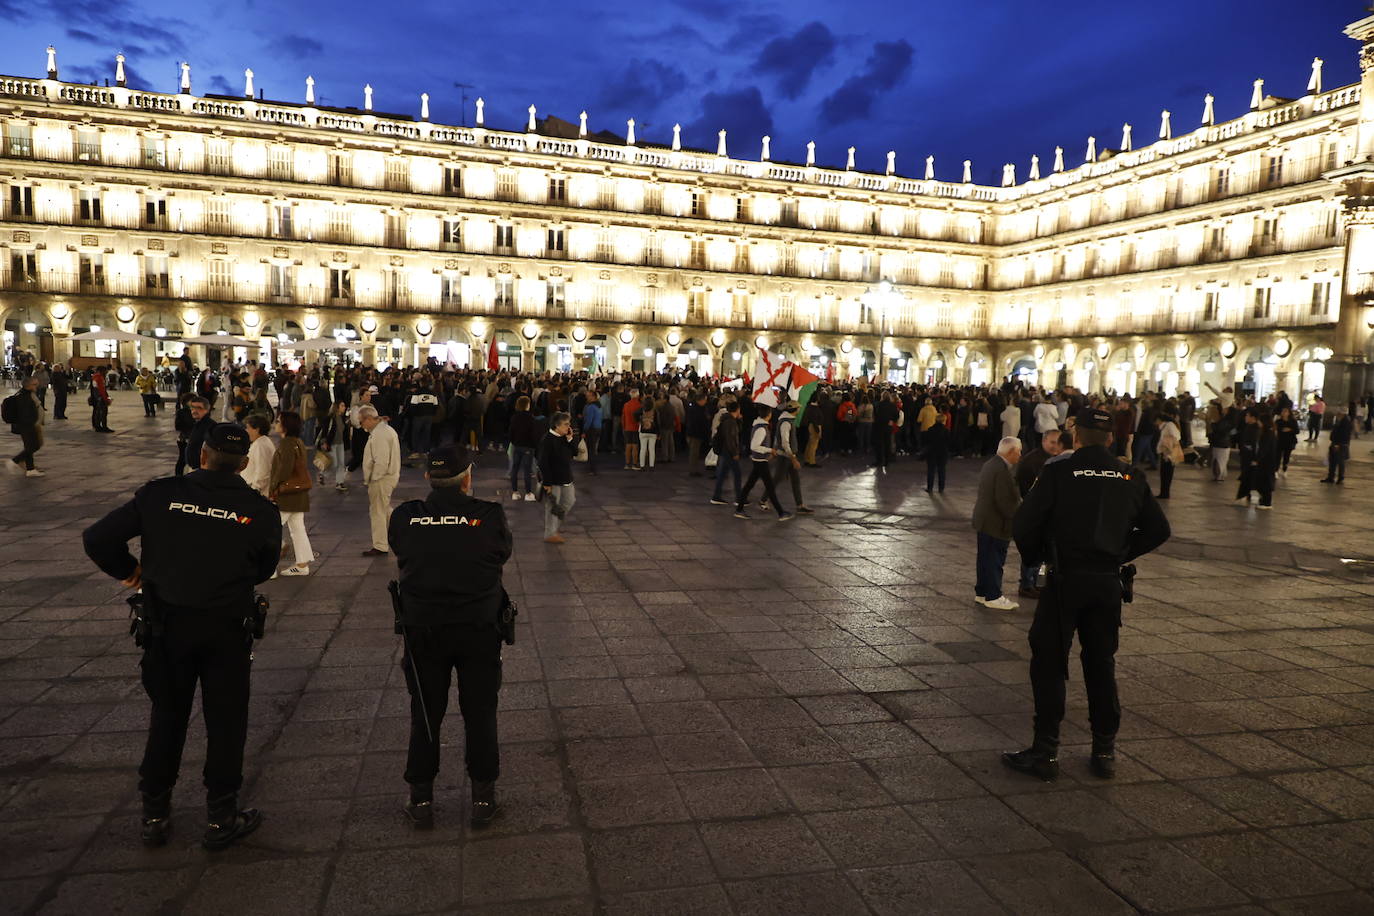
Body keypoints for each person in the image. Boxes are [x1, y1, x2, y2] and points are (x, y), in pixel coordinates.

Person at [82, 423, 281, 849]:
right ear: (244, 465)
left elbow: (97, 537)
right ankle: (220, 816)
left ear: (202, 456)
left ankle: (155, 812)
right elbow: (263, 569)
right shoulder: (259, 511)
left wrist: (129, 571)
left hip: (167, 627)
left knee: (167, 716)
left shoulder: (160, 494)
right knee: (227, 721)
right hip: (225, 628)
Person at [1004, 408, 1170, 782]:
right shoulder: (1130, 475)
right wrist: (1120, 552)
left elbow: (1025, 523)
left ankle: (1046, 752)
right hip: (1107, 582)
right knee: (1100, 664)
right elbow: (1158, 529)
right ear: (1111, 439)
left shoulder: (1060, 472)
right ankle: (1104, 749)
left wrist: (1040, 558)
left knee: (1049, 662)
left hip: (1066, 581)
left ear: (1075, 436)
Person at [387, 445, 513, 829]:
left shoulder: (407, 516)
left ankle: (421, 798)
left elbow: (402, 551)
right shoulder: (488, 516)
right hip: (477, 629)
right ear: (468, 478)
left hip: (424, 630)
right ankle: (482, 797)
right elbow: (500, 554)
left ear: (428, 477)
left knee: (425, 712)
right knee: (480, 711)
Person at [972, 436, 1022, 611]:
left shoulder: (990, 464)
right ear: (1010, 452)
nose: (1020, 455)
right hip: (995, 522)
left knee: (984, 558)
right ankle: (993, 595)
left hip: (984, 520)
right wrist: (1017, 517)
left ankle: (982, 592)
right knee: (995, 559)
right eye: (1018, 451)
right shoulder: (1002, 470)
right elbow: (1004, 500)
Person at [1013, 430, 1066, 597]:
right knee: (1033, 549)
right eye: (1051, 442)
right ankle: (1027, 584)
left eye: (1058, 442)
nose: (1054, 445)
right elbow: (1025, 486)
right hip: (1035, 513)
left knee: (1045, 551)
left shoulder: (1055, 460)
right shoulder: (1033, 460)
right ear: (1043, 441)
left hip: (1049, 513)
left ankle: (1037, 582)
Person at [269, 411, 314, 576]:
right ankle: (302, 565)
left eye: (279, 421)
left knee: (270, 529)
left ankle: (270, 568)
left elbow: (284, 470)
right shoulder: (297, 442)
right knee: (297, 529)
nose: (276, 423)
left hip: (287, 495)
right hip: (298, 494)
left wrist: (273, 488)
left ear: (285, 426)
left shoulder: (287, 443)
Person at [734, 403, 793, 522]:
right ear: (769, 415)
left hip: (759, 460)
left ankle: (739, 509)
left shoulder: (760, 426)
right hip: (760, 461)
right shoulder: (761, 428)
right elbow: (754, 446)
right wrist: (769, 450)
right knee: (770, 487)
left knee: (749, 485)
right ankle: (781, 512)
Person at [359, 405, 401, 556]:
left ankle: (380, 545)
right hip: (387, 477)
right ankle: (401, 530)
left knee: (377, 511)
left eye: (361, 422)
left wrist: (373, 479)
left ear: (369, 419)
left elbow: (381, 461)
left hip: (382, 479)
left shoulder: (380, 434)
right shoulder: (384, 431)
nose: (361, 425)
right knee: (384, 508)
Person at [537, 411, 578, 544]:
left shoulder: (564, 438)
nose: (568, 427)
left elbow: (575, 452)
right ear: (557, 425)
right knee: (552, 506)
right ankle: (550, 533)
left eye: (568, 424)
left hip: (566, 477)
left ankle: (554, 528)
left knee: (569, 501)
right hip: (553, 480)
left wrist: (570, 439)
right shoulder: (547, 440)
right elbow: (543, 463)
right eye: (566, 424)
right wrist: (547, 483)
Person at [767, 401, 812, 514]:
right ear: (795, 410)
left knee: (795, 480)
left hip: (788, 455)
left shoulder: (787, 421)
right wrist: (793, 458)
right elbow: (785, 442)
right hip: (785, 456)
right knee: (777, 479)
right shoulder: (786, 423)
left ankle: (799, 504)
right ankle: (763, 499)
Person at [5, 374, 46, 477]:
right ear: (28, 385)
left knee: (30, 446)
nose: (36, 386)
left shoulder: (27, 394)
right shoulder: (24, 397)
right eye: (34, 384)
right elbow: (27, 413)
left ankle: (30, 469)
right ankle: (15, 461)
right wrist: (34, 424)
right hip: (27, 425)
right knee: (34, 446)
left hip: (27, 425)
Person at [710, 399, 743, 506]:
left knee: (722, 473)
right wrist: (735, 453)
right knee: (737, 474)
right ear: (737, 410)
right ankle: (739, 498)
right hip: (729, 451)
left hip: (725, 450)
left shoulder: (727, 420)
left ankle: (716, 496)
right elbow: (730, 439)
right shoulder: (730, 422)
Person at [507, 396, 538, 501]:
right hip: (528, 447)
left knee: (515, 469)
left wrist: (514, 442)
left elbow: (510, 433)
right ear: (526, 405)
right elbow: (534, 434)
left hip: (517, 446)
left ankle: (515, 492)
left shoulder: (514, 417)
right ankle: (528, 493)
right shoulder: (531, 418)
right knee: (527, 470)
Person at [240, 414, 276, 497]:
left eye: (248, 428)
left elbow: (263, 472)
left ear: (257, 430)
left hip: (256, 491)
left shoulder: (261, 446)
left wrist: (254, 490)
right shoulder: (262, 442)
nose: (246, 430)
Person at [1321, 408, 1352, 484]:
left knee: (1340, 461)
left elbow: (1344, 435)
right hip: (1335, 443)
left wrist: (1338, 444)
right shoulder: (1339, 421)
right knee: (1332, 461)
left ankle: (1340, 478)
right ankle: (1331, 477)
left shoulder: (1346, 422)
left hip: (1340, 444)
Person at [1155, 412, 1182, 500]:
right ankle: (1163, 492)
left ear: (1159, 420)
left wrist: (1168, 444)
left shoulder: (1169, 425)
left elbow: (1176, 436)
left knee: (1167, 473)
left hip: (1169, 453)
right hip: (1164, 452)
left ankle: (1165, 493)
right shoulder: (1164, 426)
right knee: (1164, 473)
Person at [923, 409, 950, 493]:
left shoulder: (930, 429)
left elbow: (926, 441)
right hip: (942, 452)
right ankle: (941, 488)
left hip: (932, 452)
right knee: (941, 470)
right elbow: (950, 442)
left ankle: (930, 487)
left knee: (931, 470)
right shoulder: (946, 431)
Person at [581, 393, 602, 475]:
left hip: (591, 429)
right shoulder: (599, 406)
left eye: (588, 396)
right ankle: (593, 468)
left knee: (590, 450)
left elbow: (588, 420)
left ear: (593, 397)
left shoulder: (590, 407)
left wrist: (584, 431)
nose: (587, 397)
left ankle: (592, 469)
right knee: (593, 449)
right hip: (598, 428)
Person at [1275, 406, 1299, 476]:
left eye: (1286, 411)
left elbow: (1297, 431)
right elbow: (1276, 429)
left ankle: (1284, 469)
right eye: (1283, 411)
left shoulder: (1293, 421)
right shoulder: (1278, 421)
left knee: (1287, 456)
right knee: (1278, 456)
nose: (1284, 413)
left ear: (1289, 413)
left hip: (1289, 441)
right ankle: (1276, 470)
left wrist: (1290, 430)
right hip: (1280, 440)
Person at [622, 388, 642, 469]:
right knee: (635, 446)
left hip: (627, 427)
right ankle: (634, 463)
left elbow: (623, 417)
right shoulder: (639, 405)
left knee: (628, 446)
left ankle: (627, 463)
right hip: (636, 428)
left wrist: (623, 426)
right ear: (637, 395)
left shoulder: (626, 405)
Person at [636, 397, 658, 470]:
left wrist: (640, 421)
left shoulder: (642, 410)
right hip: (653, 431)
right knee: (652, 449)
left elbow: (634, 414)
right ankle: (651, 465)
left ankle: (642, 465)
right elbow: (658, 422)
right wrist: (659, 433)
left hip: (643, 431)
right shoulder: (655, 411)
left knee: (643, 448)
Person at [90, 365, 112, 432]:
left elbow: (102, 388)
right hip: (99, 397)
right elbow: (96, 388)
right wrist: (99, 397)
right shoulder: (97, 377)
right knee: (101, 412)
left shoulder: (99, 377)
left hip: (101, 396)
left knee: (100, 412)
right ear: (101, 371)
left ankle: (99, 426)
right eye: (105, 371)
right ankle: (100, 426)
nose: (106, 372)